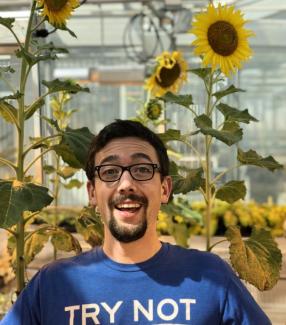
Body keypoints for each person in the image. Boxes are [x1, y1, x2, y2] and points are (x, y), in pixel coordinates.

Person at [1, 120, 271, 325]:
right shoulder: (53, 284)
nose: (126, 184)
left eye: (142, 169)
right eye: (110, 171)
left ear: (165, 189)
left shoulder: (211, 277)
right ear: (92, 192)